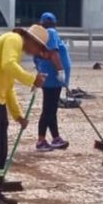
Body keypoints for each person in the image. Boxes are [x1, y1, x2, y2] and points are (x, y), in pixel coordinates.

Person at [0, 24, 58, 204]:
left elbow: (8, 86)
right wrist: (31, 79)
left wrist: (18, 115)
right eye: (38, 48)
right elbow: (8, 66)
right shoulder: (13, 39)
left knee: (1, 150)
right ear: (31, 40)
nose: (36, 52)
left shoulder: (15, 50)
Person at [34, 12, 73, 151]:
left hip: (52, 78)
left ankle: (56, 138)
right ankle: (41, 140)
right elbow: (54, 53)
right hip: (53, 78)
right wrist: (61, 71)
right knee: (48, 110)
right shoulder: (50, 32)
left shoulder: (43, 35)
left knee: (52, 109)